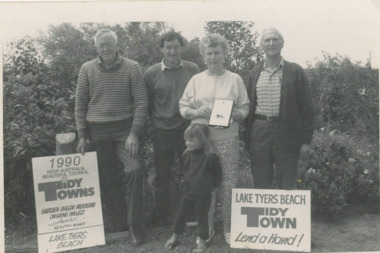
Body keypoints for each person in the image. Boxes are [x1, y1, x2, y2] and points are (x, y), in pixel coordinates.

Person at [75, 29, 147, 246]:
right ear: (96, 47)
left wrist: (135, 132)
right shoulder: (86, 69)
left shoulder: (132, 67)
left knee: (134, 170)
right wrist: (82, 135)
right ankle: (119, 224)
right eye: (101, 45)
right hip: (98, 130)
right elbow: (80, 104)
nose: (105, 48)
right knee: (108, 179)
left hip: (126, 129)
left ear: (117, 44)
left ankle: (135, 225)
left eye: (109, 44)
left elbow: (142, 102)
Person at [179, 33, 250, 244]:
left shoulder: (234, 79)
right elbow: (183, 107)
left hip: (227, 137)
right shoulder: (196, 80)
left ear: (224, 53)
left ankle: (228, 228)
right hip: (201, 142)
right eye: (208, 53)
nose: (213, 57)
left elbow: (245, 108)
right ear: (203, 55)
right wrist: (196, 111)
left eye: (216, 52)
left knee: (228, 183)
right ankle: (206, 229)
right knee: (204, 185)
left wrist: (234, 114)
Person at [245, 27, 314, 190]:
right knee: (261, 182)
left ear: (282, 43)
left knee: (288, 182)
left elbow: (307, 107)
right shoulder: (254, 73)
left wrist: (306, 141)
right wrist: (245, 136)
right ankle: (263, 215)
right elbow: (247, 105)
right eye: (267, 40)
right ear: (261, 45)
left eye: (275, 39)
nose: (271, 43)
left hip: (287, 131)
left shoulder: (295, 71)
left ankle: (288, 215)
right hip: (259, 131)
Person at [144, 31, 199, 226]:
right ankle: (162, 216)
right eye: (168, 47)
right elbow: (148, 104)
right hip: (162, 132)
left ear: (181, 47)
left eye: (176, 47)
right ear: (162, 49)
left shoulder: (193, 69)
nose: (172, 51)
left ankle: (192, 214)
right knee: (162, 175)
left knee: (191, 172)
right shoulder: (151, 73)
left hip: (187, 130)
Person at [164, 123, 221, 252]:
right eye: (186, 140)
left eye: (191, 140)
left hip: (203, 193)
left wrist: (211, 187)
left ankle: (202, 241)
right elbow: (184, 170)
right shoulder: (186, 154)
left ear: (202, 140)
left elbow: (217, 175)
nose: (187, 143)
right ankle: (174, 236)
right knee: (181, 214)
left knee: (202, 216)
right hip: (188, 191)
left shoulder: (210, 157)